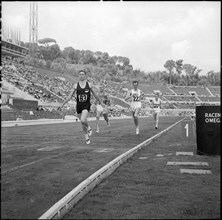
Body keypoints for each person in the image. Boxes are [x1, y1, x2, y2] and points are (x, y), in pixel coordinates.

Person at [58, 70, 101, 144]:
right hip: (79, 105)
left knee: (82, 119)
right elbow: (69, 96)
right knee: (83, 123)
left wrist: (100, 101)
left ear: (85, 75)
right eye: (80, 74)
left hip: (86, 105)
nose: (81, 75)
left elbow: (95, 94)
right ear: (79, 76)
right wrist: (62, 104)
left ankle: (89, 128)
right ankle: (87, 138)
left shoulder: (89, 85)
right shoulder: (75, 85)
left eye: (83, 74)